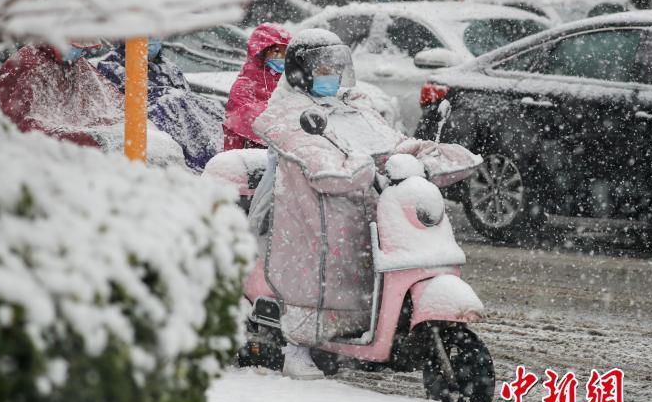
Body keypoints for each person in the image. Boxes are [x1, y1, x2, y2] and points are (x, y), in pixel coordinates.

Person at [249, 28, 459, 380]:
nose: (332, 76)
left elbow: (387, 141)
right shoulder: (286, 111)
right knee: (313, 261)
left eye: (336, 68)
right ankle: (295, 349)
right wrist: (357, 167)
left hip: (347, 198)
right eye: (324, 69)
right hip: (293, 203)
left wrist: (421, 153)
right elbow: (315, 160)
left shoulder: (351, 105)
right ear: (301, 72)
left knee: (366, 254)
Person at [96, 38, 225, 171]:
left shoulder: (170, 68)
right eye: (145, 34)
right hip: (151, 147)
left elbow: (191, 107)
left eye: (155, 35)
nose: (150, 40)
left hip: (195, 157)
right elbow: (135, 101)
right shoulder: (111, 66)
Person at [223, 23, 291, 150]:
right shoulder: (244, 85)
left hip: (285, 154)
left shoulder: (287, 81)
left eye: (286, 52)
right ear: (261, 52)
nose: (282, 57)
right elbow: (242, 123)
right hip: (251, 155)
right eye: (276, 51)